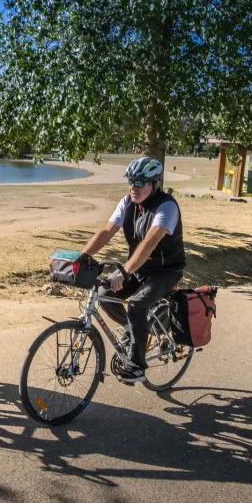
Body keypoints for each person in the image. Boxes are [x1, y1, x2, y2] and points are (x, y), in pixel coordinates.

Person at [80, 156, 186, 383]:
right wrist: (81, 257)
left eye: (139, 182)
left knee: (137, 304)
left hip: (165, 271)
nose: (133, 187)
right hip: (139, 269)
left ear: (154, 184)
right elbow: (106, 231)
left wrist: (125, 271)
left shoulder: (167, 206)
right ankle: (134, 332)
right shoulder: (127, 202)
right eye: (130, 181)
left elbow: (150, 242)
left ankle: (138, 365)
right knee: (104, 294)